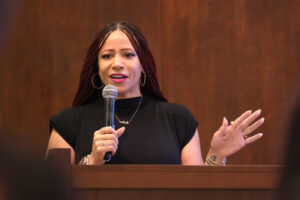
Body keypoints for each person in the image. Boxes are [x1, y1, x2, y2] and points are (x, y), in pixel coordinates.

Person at [46, 21, 264, 165]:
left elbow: (197, 193)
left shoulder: (178, 119)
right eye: (107, 56)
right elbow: (49, 193)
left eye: (128, 55)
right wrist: (91, 161)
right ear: (96, 67)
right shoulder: (67, 124)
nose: (117, 64)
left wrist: (217, 154)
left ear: (144, 66)